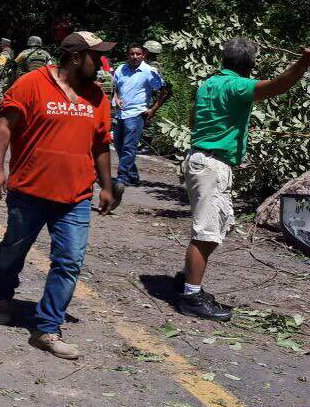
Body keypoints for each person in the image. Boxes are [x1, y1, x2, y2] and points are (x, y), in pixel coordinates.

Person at [0, 31, 117, 359]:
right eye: (95, 56)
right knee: (13, 251)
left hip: (75, 197)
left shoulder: (98, 97)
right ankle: (3, 295)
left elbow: (101, 144)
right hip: (29, 191)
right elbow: (5, 125)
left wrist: (106, 185)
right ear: (76, 59)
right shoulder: (32, 83)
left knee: (69, 261)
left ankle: (47, 327)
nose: (101, 62)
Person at [177, 39, 310, 321]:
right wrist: (304, 63)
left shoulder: (209, 83)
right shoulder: (237, 86)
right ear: (249, 65)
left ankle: (189, 280)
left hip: (201, 159)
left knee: (215, 227)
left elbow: (193, 119)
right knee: (206, 233)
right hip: (211, 164)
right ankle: (190, 295)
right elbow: (276, 86)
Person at [110, 45, 165, 193]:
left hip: (137, 113)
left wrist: (152, 110)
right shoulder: (121, 69)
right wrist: (116, 98)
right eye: (132, 54)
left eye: (138, 54)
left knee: (129, 146)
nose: (135, 56)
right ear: (128, 55)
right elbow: (113, 87)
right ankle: (132, 175)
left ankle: (121, 178)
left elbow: (164, 91)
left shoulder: (149, 71)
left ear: (143, 56)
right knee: (119, 145)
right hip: (120, 113)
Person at [0, 38, 15, 109]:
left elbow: (0, 66)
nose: (0, 45)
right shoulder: (11, 52)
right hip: (7, 76)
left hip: (2, 77)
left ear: (4, 44)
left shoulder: (4, 54)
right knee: (3, 92)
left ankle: (0, 108)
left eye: (1, 44)